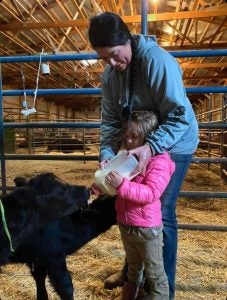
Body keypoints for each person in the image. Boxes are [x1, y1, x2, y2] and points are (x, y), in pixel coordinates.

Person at [88, 12, 199, 300]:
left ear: (127, 40)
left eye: (114, 55)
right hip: (137, 143)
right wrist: (108, 153)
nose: (111, 64)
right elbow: (111, 120)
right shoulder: (111, 75)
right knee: (129, 205)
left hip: (174, 142)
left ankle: (161, 288)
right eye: (104, 59)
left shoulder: (156, 62)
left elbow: (179, 116)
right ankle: (131, 274)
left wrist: (152, 147)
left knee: (159, 212)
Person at [104, 110, 175, 300]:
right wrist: (104, 180)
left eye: (134, 137)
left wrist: (122, 184)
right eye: (126, 136)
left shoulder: (160, 162)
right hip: (126, 225)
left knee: (155, 274)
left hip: (147, 230)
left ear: (148, 138)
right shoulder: (127, 158)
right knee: (132, 269)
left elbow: (151, 193)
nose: (128, 141)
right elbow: (116, 186)